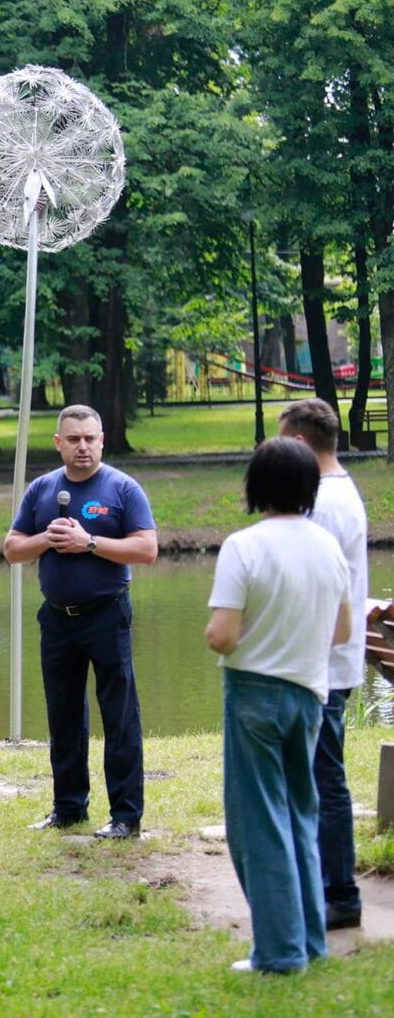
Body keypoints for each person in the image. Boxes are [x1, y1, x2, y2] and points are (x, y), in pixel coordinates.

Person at [205, 437, 353, 974]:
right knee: (300, 817)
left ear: (255, 486)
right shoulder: (329, 547)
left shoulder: (245, 547)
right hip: (310, 695)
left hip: (254, 695)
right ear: (309, 488)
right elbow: (340, 632)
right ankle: (310, 941)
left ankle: (280, 953)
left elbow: (222, 636)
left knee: (260, 825)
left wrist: (223, 631)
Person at [5, 404, 158, 839]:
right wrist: (45, 539)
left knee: (120, 717)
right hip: (56, 620)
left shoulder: (123, 489)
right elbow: (13, 549)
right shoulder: (41, 489)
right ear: (59, 443)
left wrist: (89, 542)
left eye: (90, 438)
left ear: (102, 439)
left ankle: (126, 817)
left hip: (107, 615)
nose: (83, 447)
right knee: (64, 717)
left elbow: (147, 549)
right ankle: (69, 808)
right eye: (74, 439)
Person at [279, 398, 367, 932]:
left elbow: (318, 585)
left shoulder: (327, 504)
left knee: (325, 779)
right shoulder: (334, 492)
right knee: (317, 775)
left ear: (300, 444)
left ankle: (340, 894)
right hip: (323, 661)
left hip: (324, 665)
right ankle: (322, 884)